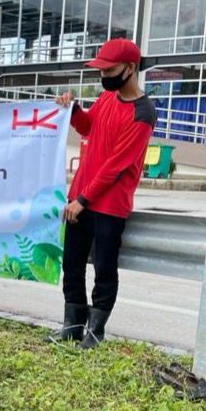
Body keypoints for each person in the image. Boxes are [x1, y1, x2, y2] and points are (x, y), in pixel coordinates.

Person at [48, 38, 156, 349]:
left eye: (109, 69)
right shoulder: (107, 99)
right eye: (102, 69)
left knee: (104, 270)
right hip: (80, 198)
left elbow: (116, 166)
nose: (104, 75)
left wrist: (83, 200)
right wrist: (72, 109)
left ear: (130, 69)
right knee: (72, 264)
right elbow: (88, 128)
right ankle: (72, 327)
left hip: (107, 205)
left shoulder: (143, 112)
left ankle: (95, 332)